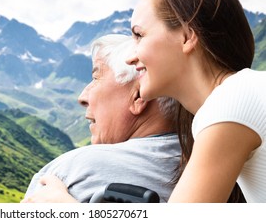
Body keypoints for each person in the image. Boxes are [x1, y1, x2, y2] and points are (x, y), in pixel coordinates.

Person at [125, 0, 265, 202]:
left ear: (187, 37)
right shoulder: (243, 92)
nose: (129, 57)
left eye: (139, 35)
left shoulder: (232, 100)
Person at [22, 34, 181, 203]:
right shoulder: (202, 162)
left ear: (138, 97)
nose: (82, 97)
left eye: (96, 78)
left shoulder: (72, 172)